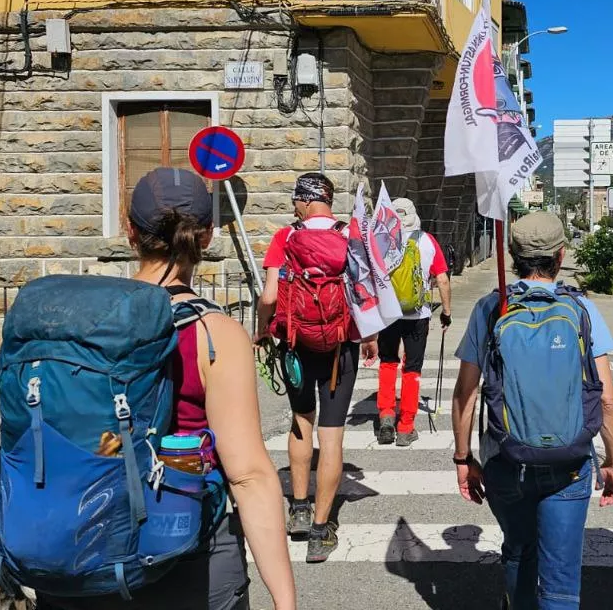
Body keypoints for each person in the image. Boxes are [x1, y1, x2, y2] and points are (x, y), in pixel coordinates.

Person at [37, 167, 297, 610]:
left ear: (130, 232)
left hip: (82, 547)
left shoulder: (83, 323)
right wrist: (285, 601)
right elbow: (249, 476)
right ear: (208, 237)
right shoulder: (214, 334)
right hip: (185, 554)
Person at [450, 211, 613, 610]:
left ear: (511, 254)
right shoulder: (581, 309)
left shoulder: (491, 307)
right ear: (561, 256)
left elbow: (465, 392)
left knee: (519, 550)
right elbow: (608, 398)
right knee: (561, 576)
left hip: (505, 457)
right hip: (571, 461)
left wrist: (463, 458)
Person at [257, 173, 378, 563]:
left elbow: (270, 296)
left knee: (300, 422)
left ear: (307, 201)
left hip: (295, 343)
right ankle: (322, 530)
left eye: (296, 198)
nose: (293, 204)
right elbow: (365, 292)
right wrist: (370, 337)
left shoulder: (286, 238)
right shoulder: (350, 234)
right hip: (340, 345)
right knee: (332, 436)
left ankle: (299, 507)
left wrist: (261, 331)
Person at [375, 197, 452, 446]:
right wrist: (446, 311)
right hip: (417, 314)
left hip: (388, 313)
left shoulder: (381, 240)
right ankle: (406, 426)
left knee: (387, 362)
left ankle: (386, 415)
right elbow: (442, 279)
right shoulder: (427, 241)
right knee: (412, 368)